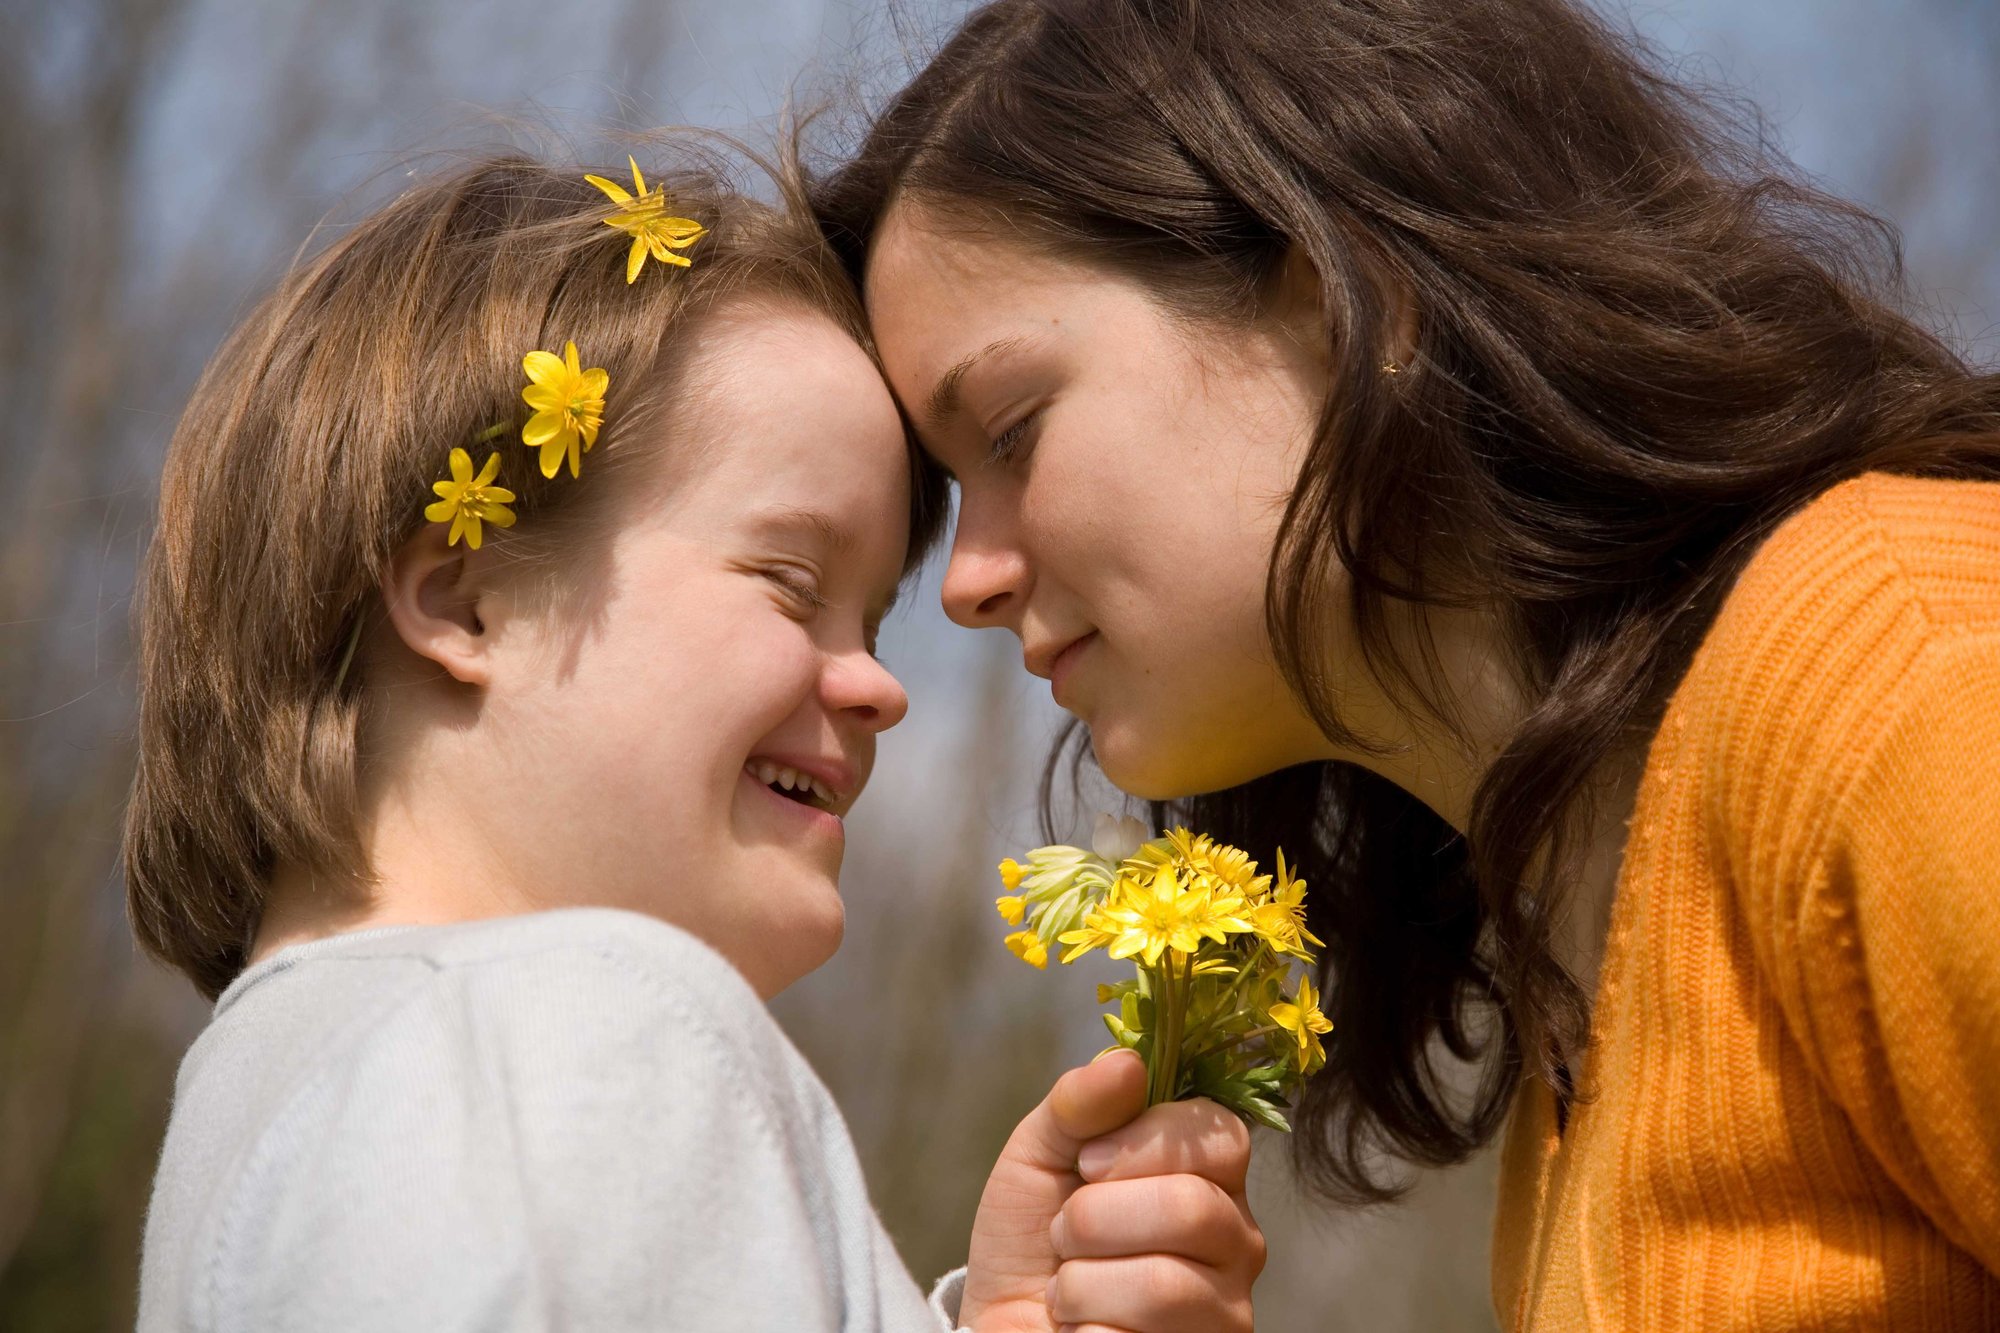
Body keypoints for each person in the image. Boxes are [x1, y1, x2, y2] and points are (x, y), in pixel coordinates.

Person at [816, 0, 2000, 1326]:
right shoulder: (1578, 970)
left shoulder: (1903, 664)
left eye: (1016, 430)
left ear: (1339, 299)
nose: (967, 582)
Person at [126, 148, 1263, 1332]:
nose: (880, 684)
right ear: (468, 602)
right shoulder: (570, 1038)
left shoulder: (266, 1099)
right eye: (789, 580)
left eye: (870, 618)